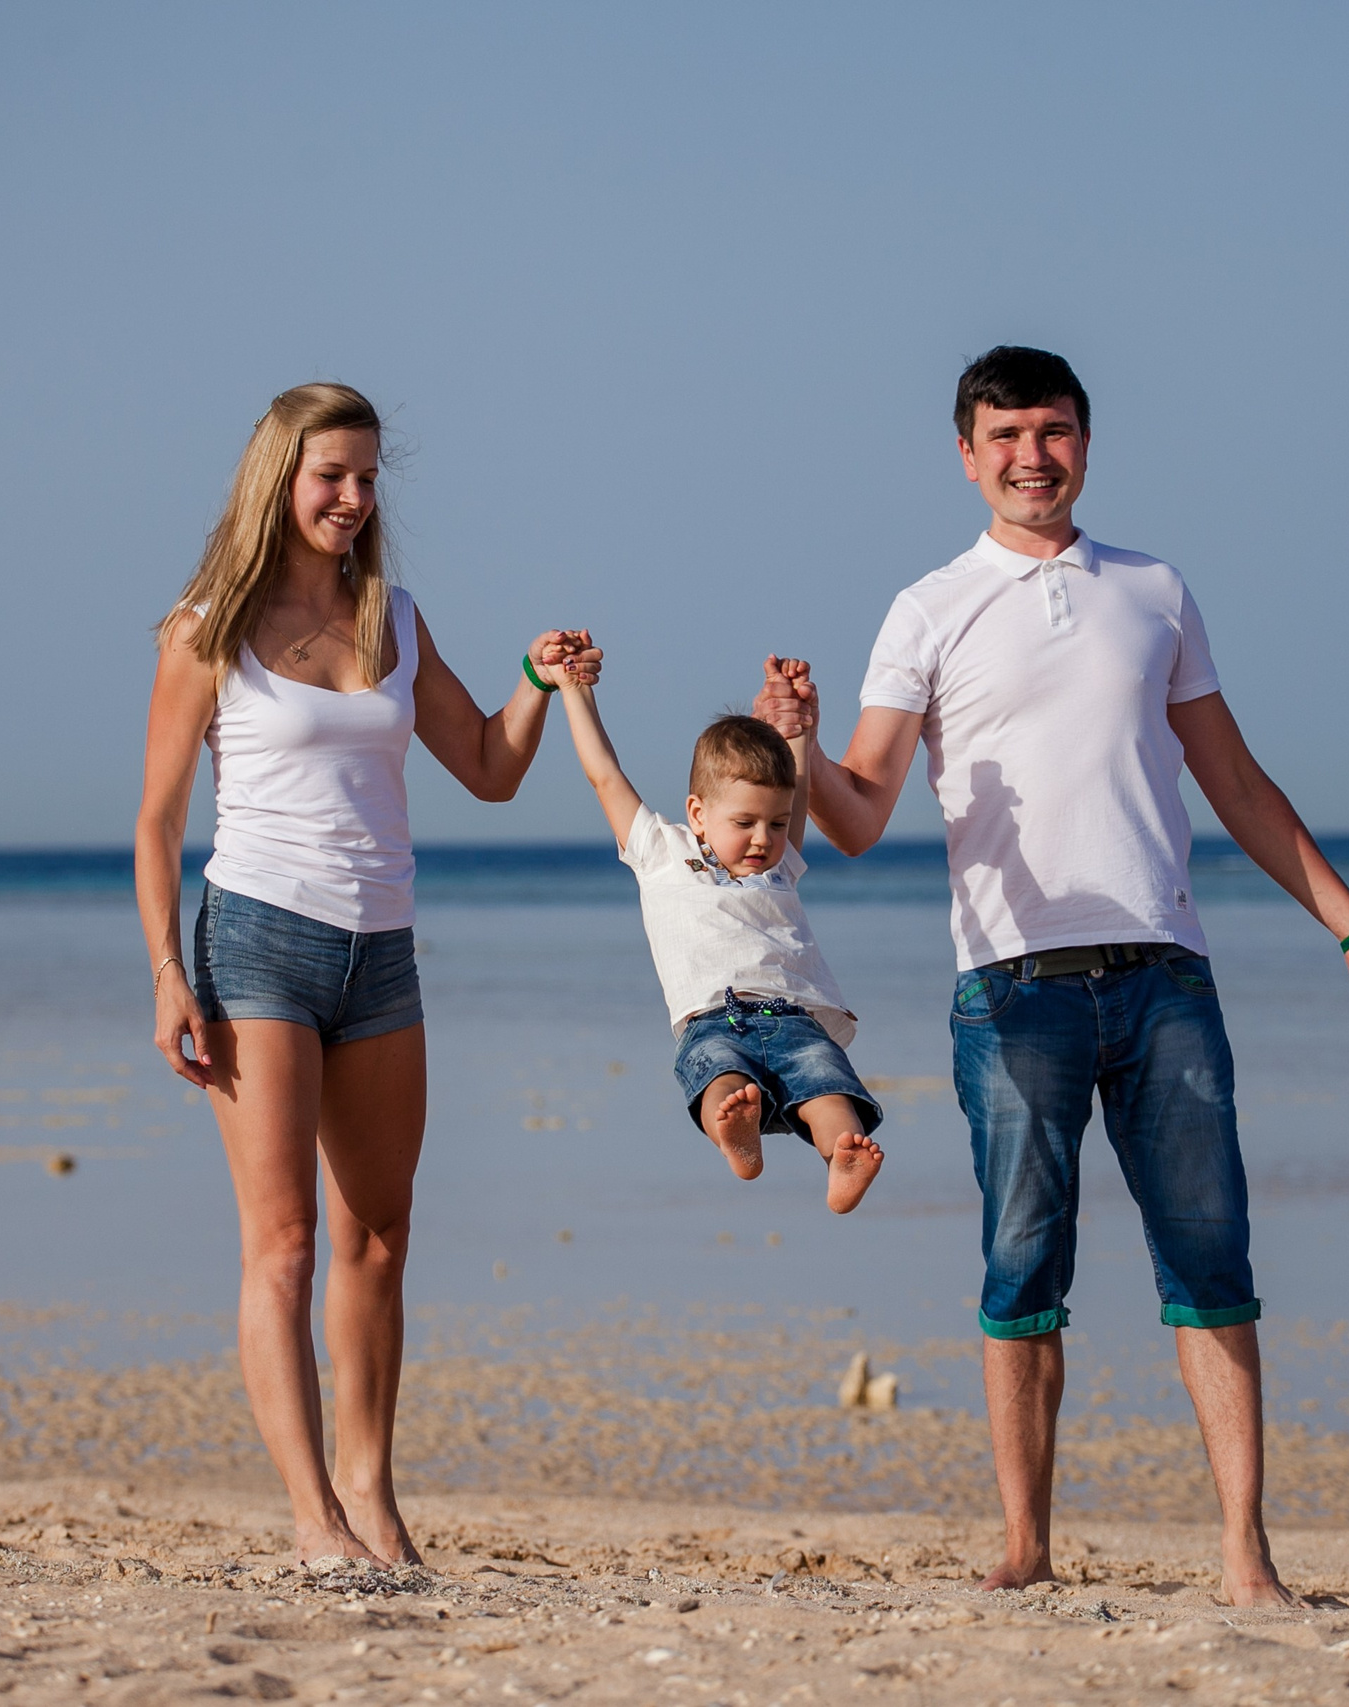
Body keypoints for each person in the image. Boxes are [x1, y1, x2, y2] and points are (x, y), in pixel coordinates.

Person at [755, 347, 1349, 1604]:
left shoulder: (1154, 590)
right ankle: (1025, 1549)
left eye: (1052, 432)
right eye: (1004, 436)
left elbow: (1234, 784)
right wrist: (796, 749)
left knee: (1211, 1265)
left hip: (1167, 976)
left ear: (1085, 443)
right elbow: (852, 815)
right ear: (966, 453)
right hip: (1011, 990)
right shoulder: (927, 607)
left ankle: (1244, 1557)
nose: (1030, 457)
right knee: (1022, 1272)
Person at [133, 382, 601, 1571]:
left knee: (379, 1235)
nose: (352, 498)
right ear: (277, 480)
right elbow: (155, 821)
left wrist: (539, 685)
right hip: (255, 944)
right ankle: (309, 1517)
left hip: (380, 949)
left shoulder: (395, 618)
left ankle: (369, 1490)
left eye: (367, 477)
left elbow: (489, 770)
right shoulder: (208, 625)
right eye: (330, 475)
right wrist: (164, 976)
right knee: (281, 1241)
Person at [545, 655, 885, 1212]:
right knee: (718, 1079)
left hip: (796, 1018)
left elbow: (794, 787)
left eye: (776, 825)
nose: (763, 838)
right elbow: (604, 773)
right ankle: (736, 1133)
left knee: (827, 1085)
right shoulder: (660, 851)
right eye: (745, 823)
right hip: (714, 1020)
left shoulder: (778, 867)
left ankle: (842, 1154)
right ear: (698, 813)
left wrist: (794, 717)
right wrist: (575, 690)